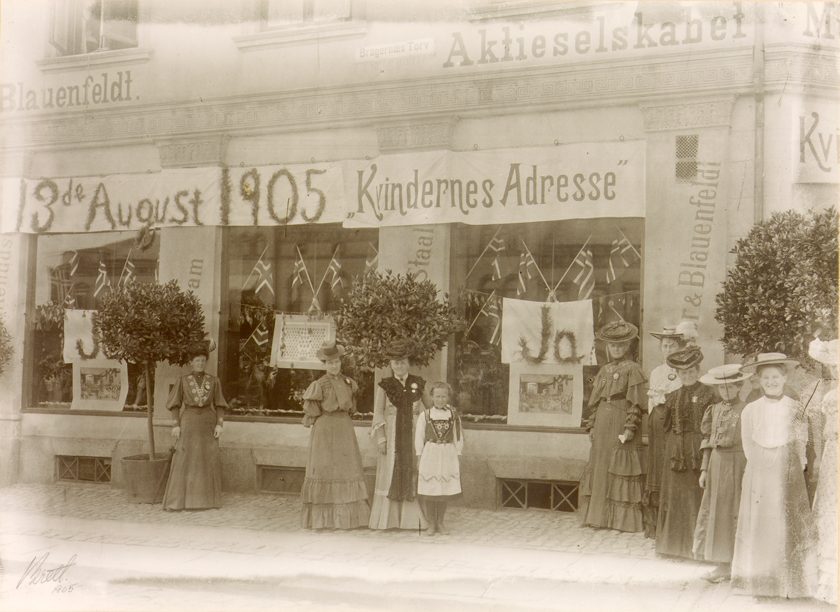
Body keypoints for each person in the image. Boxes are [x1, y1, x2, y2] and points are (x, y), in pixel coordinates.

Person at [731, 353, 816, 598]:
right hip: (760, 469)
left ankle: (789, 583)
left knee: (784, 519)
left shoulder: (795, 407)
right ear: (758, 380)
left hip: (787, 466)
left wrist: (798, 463)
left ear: (785, 377)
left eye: (775, 376)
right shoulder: (751, 409)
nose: (771, 381)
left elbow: (801, 441)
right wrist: (759, 464)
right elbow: (747, 442)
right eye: (765, 377)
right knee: (761, 521)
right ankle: (761, 582)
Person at [579, 320, 647, 533]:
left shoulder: (634, 369)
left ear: (627, 346)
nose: (616, 348)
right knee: (600, 467)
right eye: (612, 345)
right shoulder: (604, 370)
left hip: (621, 420)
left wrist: (630, 427)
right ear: (607, 347)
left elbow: (636, 403)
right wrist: (591, 425)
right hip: (602, 421)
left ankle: (620, 521)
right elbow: (595, 400)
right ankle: (598, 518)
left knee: (620, 467)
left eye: (620, 345)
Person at [300, 342, 370, 530]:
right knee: (324, 469)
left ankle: (350, 520)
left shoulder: (348, 382)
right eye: (330, 362)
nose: (334, 365)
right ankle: (323, 521)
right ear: (324, 364)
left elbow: (353, 407)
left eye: (337, 361)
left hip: (344, 428)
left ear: (341, 362)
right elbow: (313, 410)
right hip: (324, 429)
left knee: (346, 468)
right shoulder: (319, 384)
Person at [655, 346, 717, 559]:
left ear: (698, 371)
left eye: (691, 371)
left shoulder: (710, 393)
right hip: (676, 452)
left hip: (699, 449)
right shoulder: (672, 396)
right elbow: (666, 426)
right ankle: (673, 547)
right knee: (676, 496)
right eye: (683, 372)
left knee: (696, 496)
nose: (687, 375)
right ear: (678, 375)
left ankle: (698, 549)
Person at [693, 364, 749, 583]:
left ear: (739, 385)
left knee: (735, 510)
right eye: (722, 388)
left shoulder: (747, 409)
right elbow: (706, 442)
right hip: (717, 463)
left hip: (739, 462)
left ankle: (739, 565)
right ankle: (721, 565)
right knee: (717, 513)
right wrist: (704, 469)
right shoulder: (713, 410)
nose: (726, 391)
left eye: (731, 386)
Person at [369, 339, 429, 530]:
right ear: (391, 364)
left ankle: (412, 520)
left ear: (408, 363)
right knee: (391, 471)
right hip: (392, 432)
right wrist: (381, 437)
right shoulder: (385, 385)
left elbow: (430, 408)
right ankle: (389, 520)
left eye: (403, 362)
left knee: (411, 469)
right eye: (395, 362)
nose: (399, 366)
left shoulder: (417, 383)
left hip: (413, 432)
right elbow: (378, 411)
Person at [643, 322, 696, 539]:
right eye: (665, 346)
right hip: (658, 420)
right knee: (656, 465)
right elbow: (652, 401)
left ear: (680, 347)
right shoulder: (657, 372)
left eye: (672, 346)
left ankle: (671, 522)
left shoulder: (685, 371)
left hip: (674, 421)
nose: (668, 349)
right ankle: (654, 524)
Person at [163, 339, 227, 511]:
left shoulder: (214, 381)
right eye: (197, 360)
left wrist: (219, 424)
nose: (200, 363)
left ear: (206, 362)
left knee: (207, 460)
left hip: (208, 422)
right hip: (189, 422)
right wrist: (176, 425)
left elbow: (220, 405)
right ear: (191, 362)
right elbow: (174, 404)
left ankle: (206, 502)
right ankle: (178, 502)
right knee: (185, 460)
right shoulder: (183, 380)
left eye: (203, 360)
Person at [808, 338, 838, 605]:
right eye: (833, 367)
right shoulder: (829, 395)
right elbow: (824, 430)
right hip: (833, 455)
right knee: (831, 507)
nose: (836, 371)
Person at [415, 381, 464, 536]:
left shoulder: (453, 415)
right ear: (432, 397)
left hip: (447, 453)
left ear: (448, 397)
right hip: (431, 453)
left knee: (443, 489)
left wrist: (457, 453)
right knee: (431, 488)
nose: (441, 399)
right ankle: (431, 524)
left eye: (444, 396)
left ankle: (440, 523)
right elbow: (419, 436)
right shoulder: (426, 415)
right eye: (437, 396)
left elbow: (458, 435)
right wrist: (419, 455)